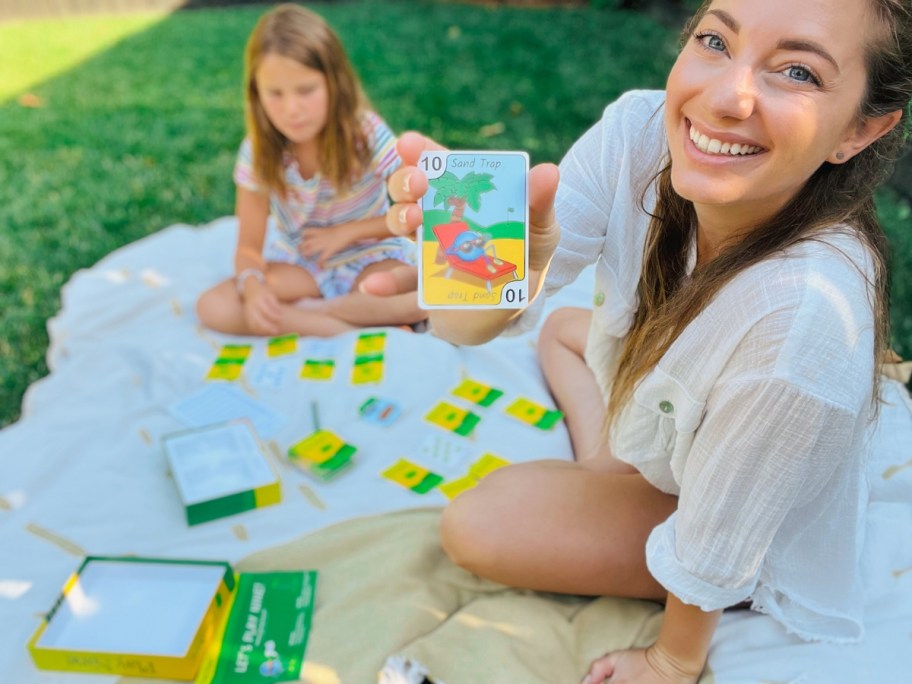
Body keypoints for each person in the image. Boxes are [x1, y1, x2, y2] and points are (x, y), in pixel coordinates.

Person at [366, 0, 912, 681]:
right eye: (716, 40)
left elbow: (721, 539)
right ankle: (613, 466)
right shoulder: (638, 131)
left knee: (474, 526)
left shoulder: (804, 321)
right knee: (565, 330)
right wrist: (495, 278)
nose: (724, 97)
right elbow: (472, 326)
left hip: (750, 522)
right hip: (676, 425)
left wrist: (671, 660)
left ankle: (611, 473)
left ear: (861, 129)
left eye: (796, 71)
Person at [196, 4, 426, 338]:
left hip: (370, 255)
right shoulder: (258, 151)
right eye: (275, 94)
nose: (292, 109)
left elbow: (416, 214)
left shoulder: (365, 134)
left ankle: (323, 315)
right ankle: (339, 321)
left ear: (335, 83)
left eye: (306, 90)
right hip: (303, 264)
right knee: (212, 305)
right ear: (256, 93)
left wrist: (348, 233)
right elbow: (247, 247)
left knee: (394, 291)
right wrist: (252, 286)